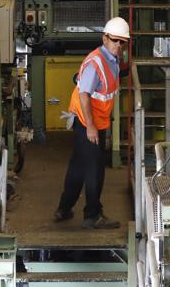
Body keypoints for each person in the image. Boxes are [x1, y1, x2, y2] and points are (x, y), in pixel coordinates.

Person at [54, 17, 130, 229]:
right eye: (115, 40)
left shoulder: (111, 61)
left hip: (95, 121)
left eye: (123, 42)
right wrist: (91, 126)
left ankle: (64, 208)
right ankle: (92, 215)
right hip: (89, 123)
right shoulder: (96, 63)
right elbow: (85, 94)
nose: (119, 45)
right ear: (104, 38)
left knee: (78, 167)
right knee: (95, 169)